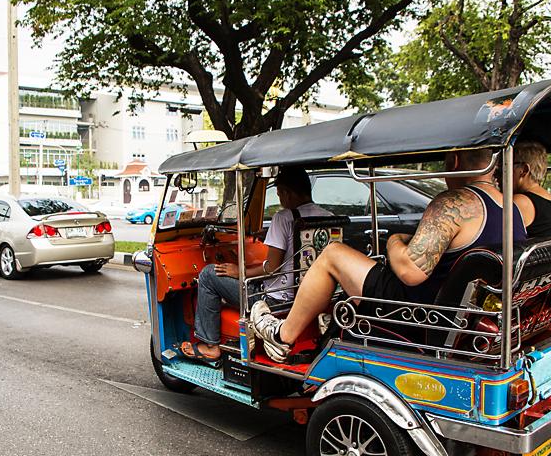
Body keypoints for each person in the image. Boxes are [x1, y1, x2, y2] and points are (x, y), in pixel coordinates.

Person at [251, 148, 527, 357]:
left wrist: (395, 240)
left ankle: (282, 334)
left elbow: (409, 271)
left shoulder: (455, 202)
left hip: (417, 312)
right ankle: (330, 325)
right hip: (457, 314)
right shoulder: (510, 209)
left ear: (453, 160)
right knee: (363, 264)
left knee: (334, 253)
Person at [180, 167, 332, 365]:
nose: (280, 200)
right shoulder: (327, 215)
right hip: (310, 298)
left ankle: (210, 346)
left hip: (275, 302)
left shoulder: (283, 217)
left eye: (279, 194)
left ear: (286, 192)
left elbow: (272, 268)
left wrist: (240, 272)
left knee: (209, 275)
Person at [511, 140, 551, 238]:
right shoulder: (548, 198)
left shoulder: (521, 202)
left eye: (506, 164)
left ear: (524, 170)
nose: (500, 172)